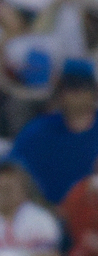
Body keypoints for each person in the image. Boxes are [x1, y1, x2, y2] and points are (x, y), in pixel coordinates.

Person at [11, 60, 98, 205]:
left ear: (94, 92)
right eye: (69, 87)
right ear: (59, 93)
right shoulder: (37, 131)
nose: (76, 93)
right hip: (45, 216)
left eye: (82, 87)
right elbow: (14, 171)